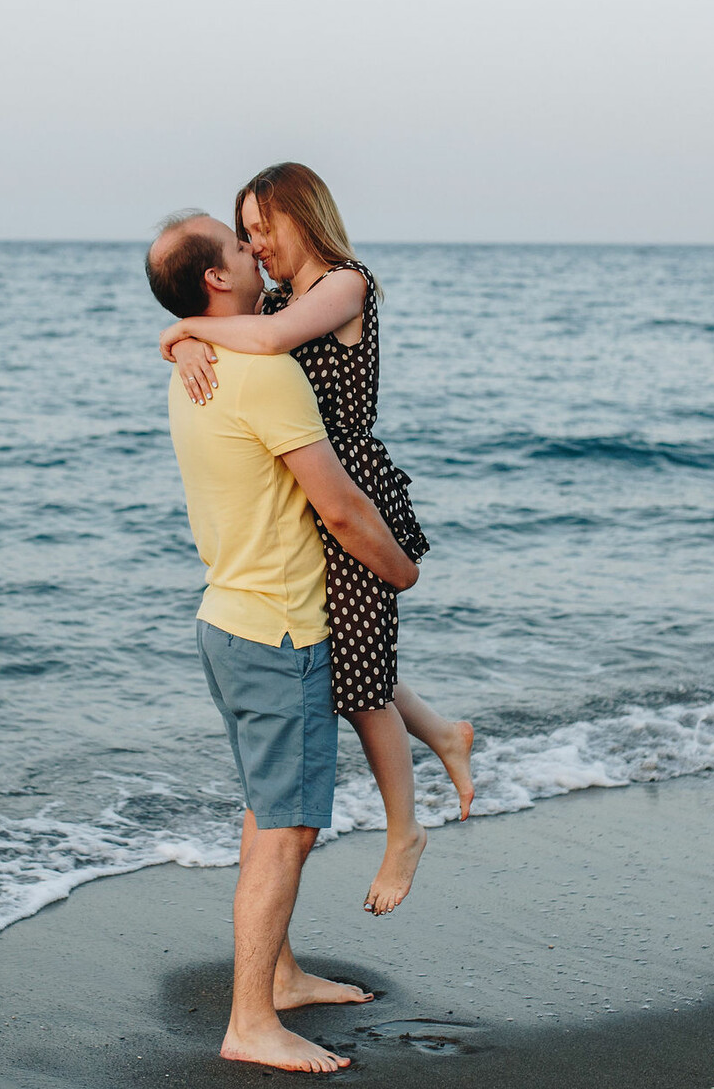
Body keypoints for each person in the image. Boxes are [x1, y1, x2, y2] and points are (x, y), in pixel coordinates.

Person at [158, 163, 474, 916]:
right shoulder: (277, 298)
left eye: (263, 227)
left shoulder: (344, 284)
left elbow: (262, 338)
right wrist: (183, 345)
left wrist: (183, 328)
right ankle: (442, 733)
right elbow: (244, 326)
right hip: (311, 488)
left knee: (359, 675)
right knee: (347, 651)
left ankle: (405, 831)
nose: (255, 243)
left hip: (350, 488)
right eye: (246, 233)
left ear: (305, 216)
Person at [147, 208, 420, 1074]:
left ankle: (284, 975)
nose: (254, 249)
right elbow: (339, 506)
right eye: (238, 246)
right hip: (281, 632)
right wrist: (401, 571)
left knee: (267, 811)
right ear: (218, 281)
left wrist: (180, 335)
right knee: (289, 830)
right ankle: (250, 1022)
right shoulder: (264, 374)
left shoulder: (197, 368)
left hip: (226, 622)